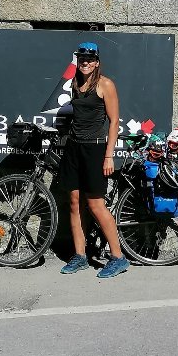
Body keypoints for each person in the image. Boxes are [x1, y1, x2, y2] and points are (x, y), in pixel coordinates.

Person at [57, 41, 129, 278]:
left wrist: (109, 156)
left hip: (95, 150)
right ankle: (80, 256)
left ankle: (118, 257)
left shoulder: (105, 84)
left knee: (96, 205)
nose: (85, 62)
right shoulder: (76, 83)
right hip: (74, 148)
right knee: (75, 202)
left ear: (97, 62)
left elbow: (114, 121)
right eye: (81, 58)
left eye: (89, 59)